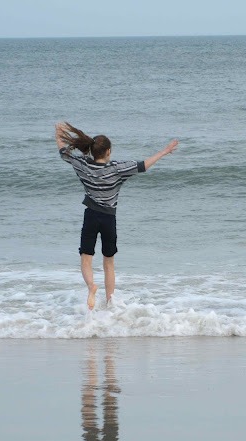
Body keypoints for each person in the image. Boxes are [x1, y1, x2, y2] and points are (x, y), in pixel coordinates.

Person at [55, 121, 178, 310]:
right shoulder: (117, 168)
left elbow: (64, 152)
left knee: (86, 258)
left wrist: (59, 134)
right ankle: (111, 302)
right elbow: (143, 166)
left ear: (92, 151)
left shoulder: (82, 165)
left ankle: (91, 287)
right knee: (109, 263)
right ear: (109, 152)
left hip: (91, 217)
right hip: (108, 220)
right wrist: (164, 151)